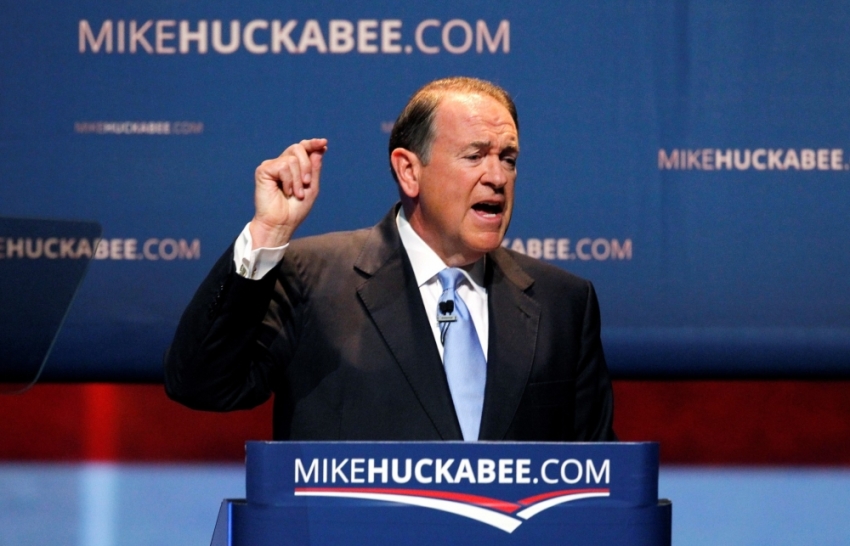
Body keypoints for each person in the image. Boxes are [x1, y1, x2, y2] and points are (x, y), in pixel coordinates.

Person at [165, 76, 615, 442]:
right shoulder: (312, 279)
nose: (497, 176)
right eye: (475, 155)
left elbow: (598, 479)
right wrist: (268, 234)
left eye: (508, 158)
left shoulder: (563, 304)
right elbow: (202, 383)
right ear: (408, 170)